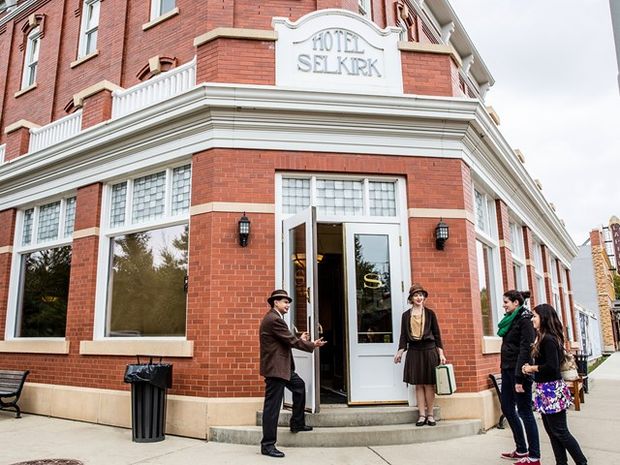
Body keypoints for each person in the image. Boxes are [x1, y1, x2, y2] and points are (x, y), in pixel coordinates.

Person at [259, 289, 326, 458]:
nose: (288, 305)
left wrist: (299, 339)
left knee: (299, 386)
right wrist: (311, 344)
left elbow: (286, 339)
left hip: (282, 367)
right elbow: (290, 340)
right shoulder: (274, 319)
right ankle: (267, 445)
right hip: (276, 369)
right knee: (272, 408)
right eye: (285, 302)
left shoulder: (275, 319)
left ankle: (297, 423)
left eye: (289, 302)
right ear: (276, 302)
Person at [522, 304, 588, 465]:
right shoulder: (543, 337)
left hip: (551, 390)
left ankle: (582, 462)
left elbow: (552, 366)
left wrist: (532, 368)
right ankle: (561, 462)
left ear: (544, 318)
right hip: (545, 390)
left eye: (535, 316)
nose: (532, 319)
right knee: (552, 432)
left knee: (560, 431)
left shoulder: (549, 340)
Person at [498, 290, 541, 464]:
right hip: (507, 369)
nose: (504, 305)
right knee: (507, 408)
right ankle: (521, 449)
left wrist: (518, 378)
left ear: (516, 303)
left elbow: (525, 350)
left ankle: (534, 456)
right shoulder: (511, 320)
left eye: (506, 302)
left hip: (520, 372)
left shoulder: (525, 321)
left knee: (525, 412)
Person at [394, 283, 446, 427]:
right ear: (411, 298)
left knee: (429, 385)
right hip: (414, 351)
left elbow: (437, 335)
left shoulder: (430, 314)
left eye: (421, 295)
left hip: (429, 350)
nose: (419, 297)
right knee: (418, 385)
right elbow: (403, 335)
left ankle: (430, 415)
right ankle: (421, 415)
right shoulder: (406, 315)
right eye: (416, 295)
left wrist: (441, 353)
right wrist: (400, 352)